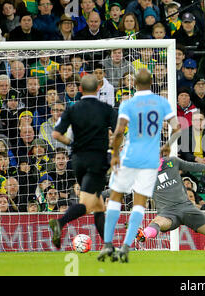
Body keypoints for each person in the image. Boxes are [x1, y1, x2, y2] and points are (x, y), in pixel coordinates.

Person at [97, 68, 181, 263]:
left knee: (116, 197)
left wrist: (115, 154)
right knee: (139, 203)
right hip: (151, 159)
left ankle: (108, 244)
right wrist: (167, 145)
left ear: (134, 84)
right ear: (151, 83)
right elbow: (177, 128)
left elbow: (118, 133)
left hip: (130, 156)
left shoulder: (128, 103)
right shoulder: (162, 102)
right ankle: (126, 246)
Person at [48, 74, 118, 249]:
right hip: (97, 160)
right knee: (87, 204)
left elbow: (56, 134)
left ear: (80, 89)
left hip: (77, 160)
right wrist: (114, 149)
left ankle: (108, 245)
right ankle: (60, 222)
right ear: (98, 89)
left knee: (99, 204)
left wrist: (71, 143)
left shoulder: (72, 109)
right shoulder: (106, 108)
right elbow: (118, 133)